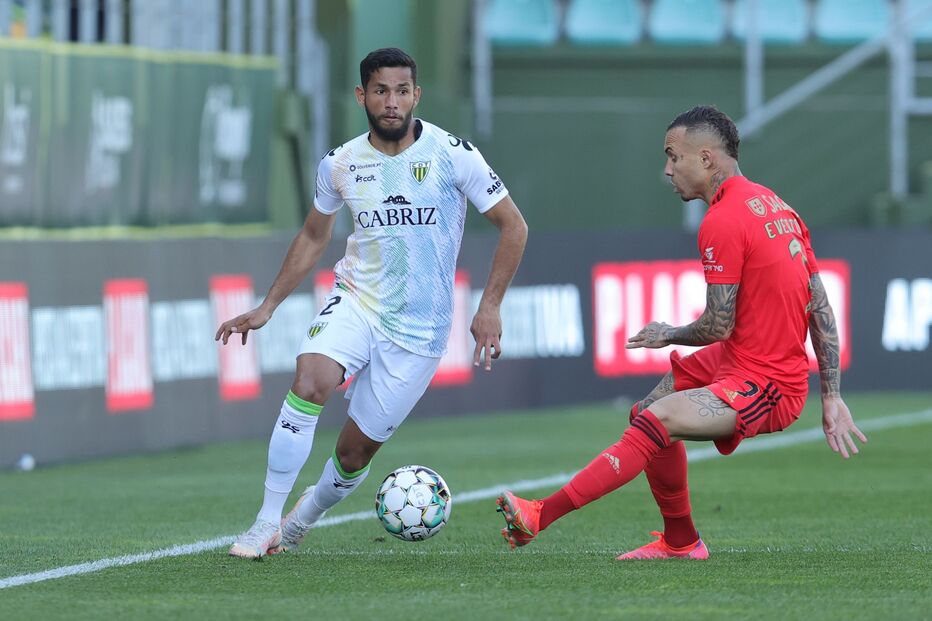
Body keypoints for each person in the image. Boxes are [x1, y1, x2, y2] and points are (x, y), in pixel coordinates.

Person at [495, 105, 865, 560]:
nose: (667, 170)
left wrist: (666, 332)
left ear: (706, 159)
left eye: (674, 157)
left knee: (658, 421)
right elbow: (821, 305)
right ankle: (682, 542)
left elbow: (717, 323)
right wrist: (831, 395)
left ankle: (539, 516)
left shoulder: (723, 221)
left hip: (768, 382)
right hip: (739, 358)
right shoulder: (776, 206)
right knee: (646, 412)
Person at [218, 47, 528, 558]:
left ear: (416, 95)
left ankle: (303, 517)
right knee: (310, 379)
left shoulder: (453, 155)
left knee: (353, 452)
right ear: (362, 95)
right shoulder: (340, 163)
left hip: (420, 330)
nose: (392, 102)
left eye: (402, 91)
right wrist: (267, 305)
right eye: (381, 91)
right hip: (357, 301)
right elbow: (315, 237)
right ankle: (264, 521)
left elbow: (513, 226)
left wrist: (490, 306)